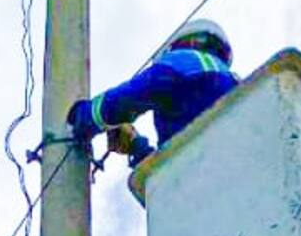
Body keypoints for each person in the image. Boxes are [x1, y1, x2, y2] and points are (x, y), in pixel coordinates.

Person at [67, 19, 238, 166]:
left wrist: (86, 117)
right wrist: (137, 146)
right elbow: (175, 168)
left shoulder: (188, 61)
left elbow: (133, 96)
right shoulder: (236, 87)